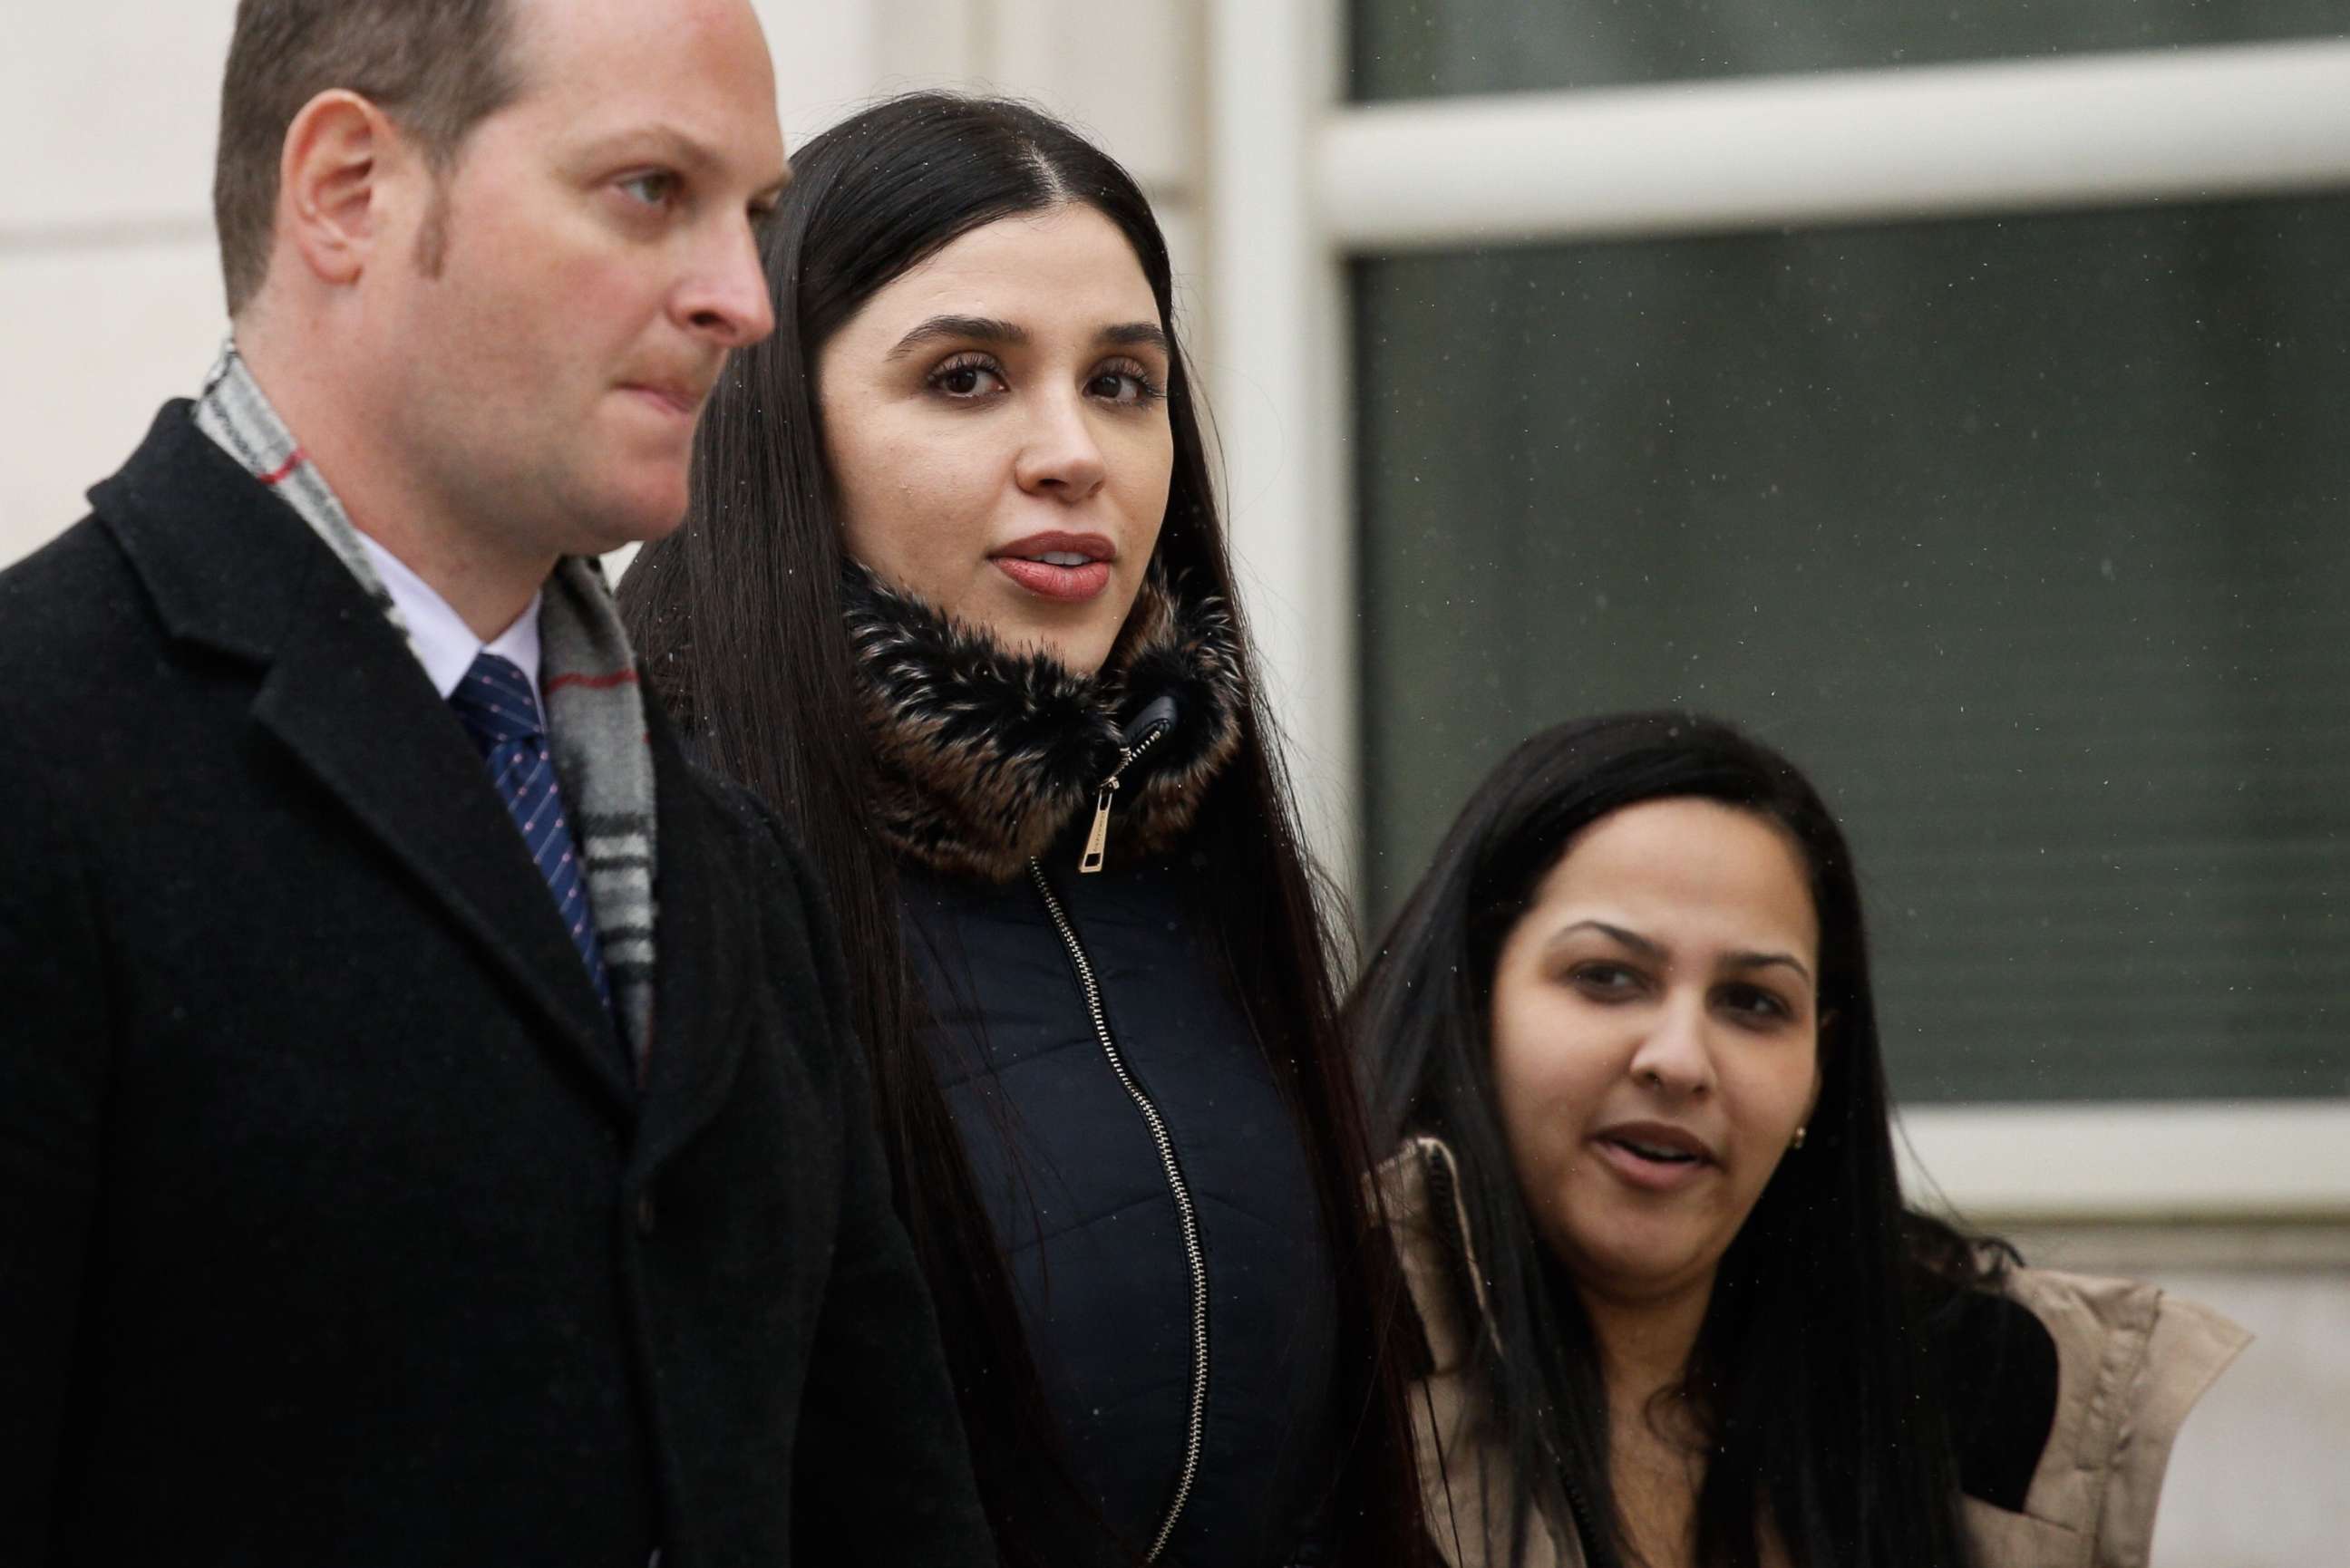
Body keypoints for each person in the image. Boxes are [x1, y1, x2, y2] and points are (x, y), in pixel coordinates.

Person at [0, 4, 994, 1563]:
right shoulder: (38, 751)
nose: (744, 299)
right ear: (346, 189)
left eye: (755, 217)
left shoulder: (726, 860)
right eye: (651, 191)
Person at [618, 92, 1425, 1568]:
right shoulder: (641, 884)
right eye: (969, 378)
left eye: (1123, 383)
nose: (1074, 452)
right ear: (775, 428)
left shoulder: (1201, 856)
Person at [1352, 712, 2248, 1568]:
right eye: (1608, 975)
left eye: (1752, 1001)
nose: (1679, 1058)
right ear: (1474, 1007)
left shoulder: (1990, 1421)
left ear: (1818, 1068)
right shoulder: (1306, 1369)